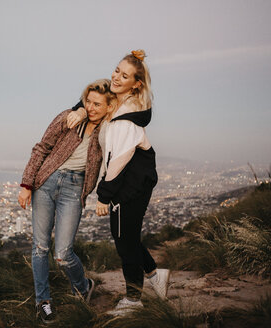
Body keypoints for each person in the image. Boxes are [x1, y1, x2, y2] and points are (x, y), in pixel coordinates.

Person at [68, 50, 170, 316]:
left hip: (130, 183)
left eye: (124, 75)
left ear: (136, 83)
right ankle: (155, 275)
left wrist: (104, 195)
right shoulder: (118, 104)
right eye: (116, 70)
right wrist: (79, 110)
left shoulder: (128, 116)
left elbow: (120, 158)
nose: (116, 77)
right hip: (131, 182)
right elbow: (93, 97)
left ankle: (134, 300)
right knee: (127, 236)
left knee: (124, 241)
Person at [18, 79, 116, 324]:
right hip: (47, 181)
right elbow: (42, 148)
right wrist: (26, 184)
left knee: (62, 253)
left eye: (97, 104)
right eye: (88, 102)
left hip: (74, 188)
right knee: (40, 247)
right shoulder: (68, 118)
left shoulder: (109, 130)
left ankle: (83, 285)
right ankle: (43, 301)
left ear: (109, 106)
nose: (91, 108)